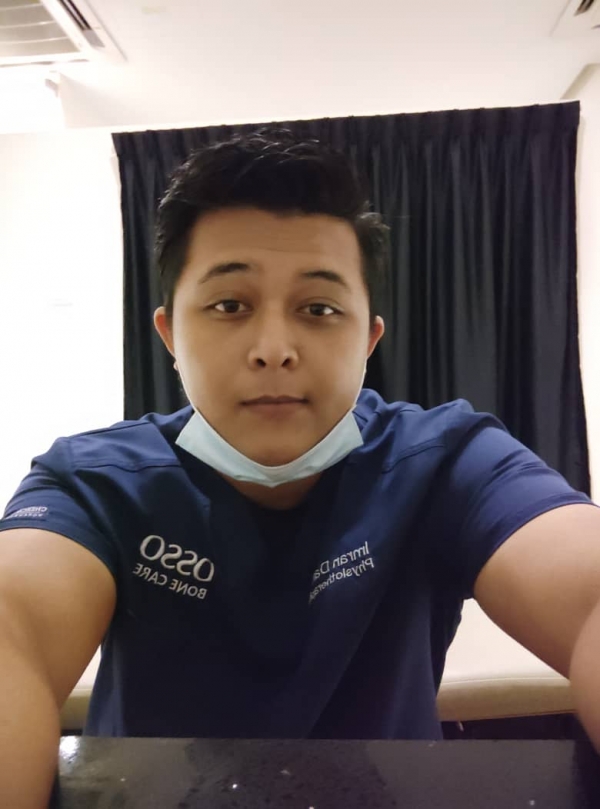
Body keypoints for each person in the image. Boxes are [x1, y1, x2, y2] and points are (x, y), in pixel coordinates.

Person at [1, 128, 600, 808]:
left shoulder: (446, 461)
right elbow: (13, 624)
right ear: (170, 334)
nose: (274, 348)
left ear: (368, 338)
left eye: (319, 309)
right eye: (230, 305)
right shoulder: (94, 481)